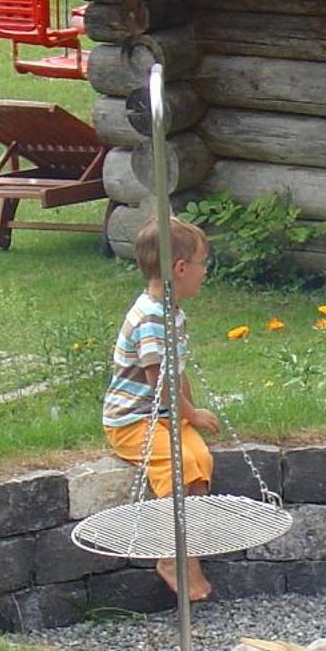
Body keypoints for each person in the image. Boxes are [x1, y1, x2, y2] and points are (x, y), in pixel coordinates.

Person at [102, 215, 222, 601]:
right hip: (133, 422)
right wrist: (191, 414)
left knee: (200, 461)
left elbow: (178, 373)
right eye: (204, 264)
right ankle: (171, 558)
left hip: (165, 415)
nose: (206, 272)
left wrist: (190, 411)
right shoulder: (151, 319)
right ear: (181, 268)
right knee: (178, 465)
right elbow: (161, 387)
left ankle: (190, 555)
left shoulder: (171, 313)